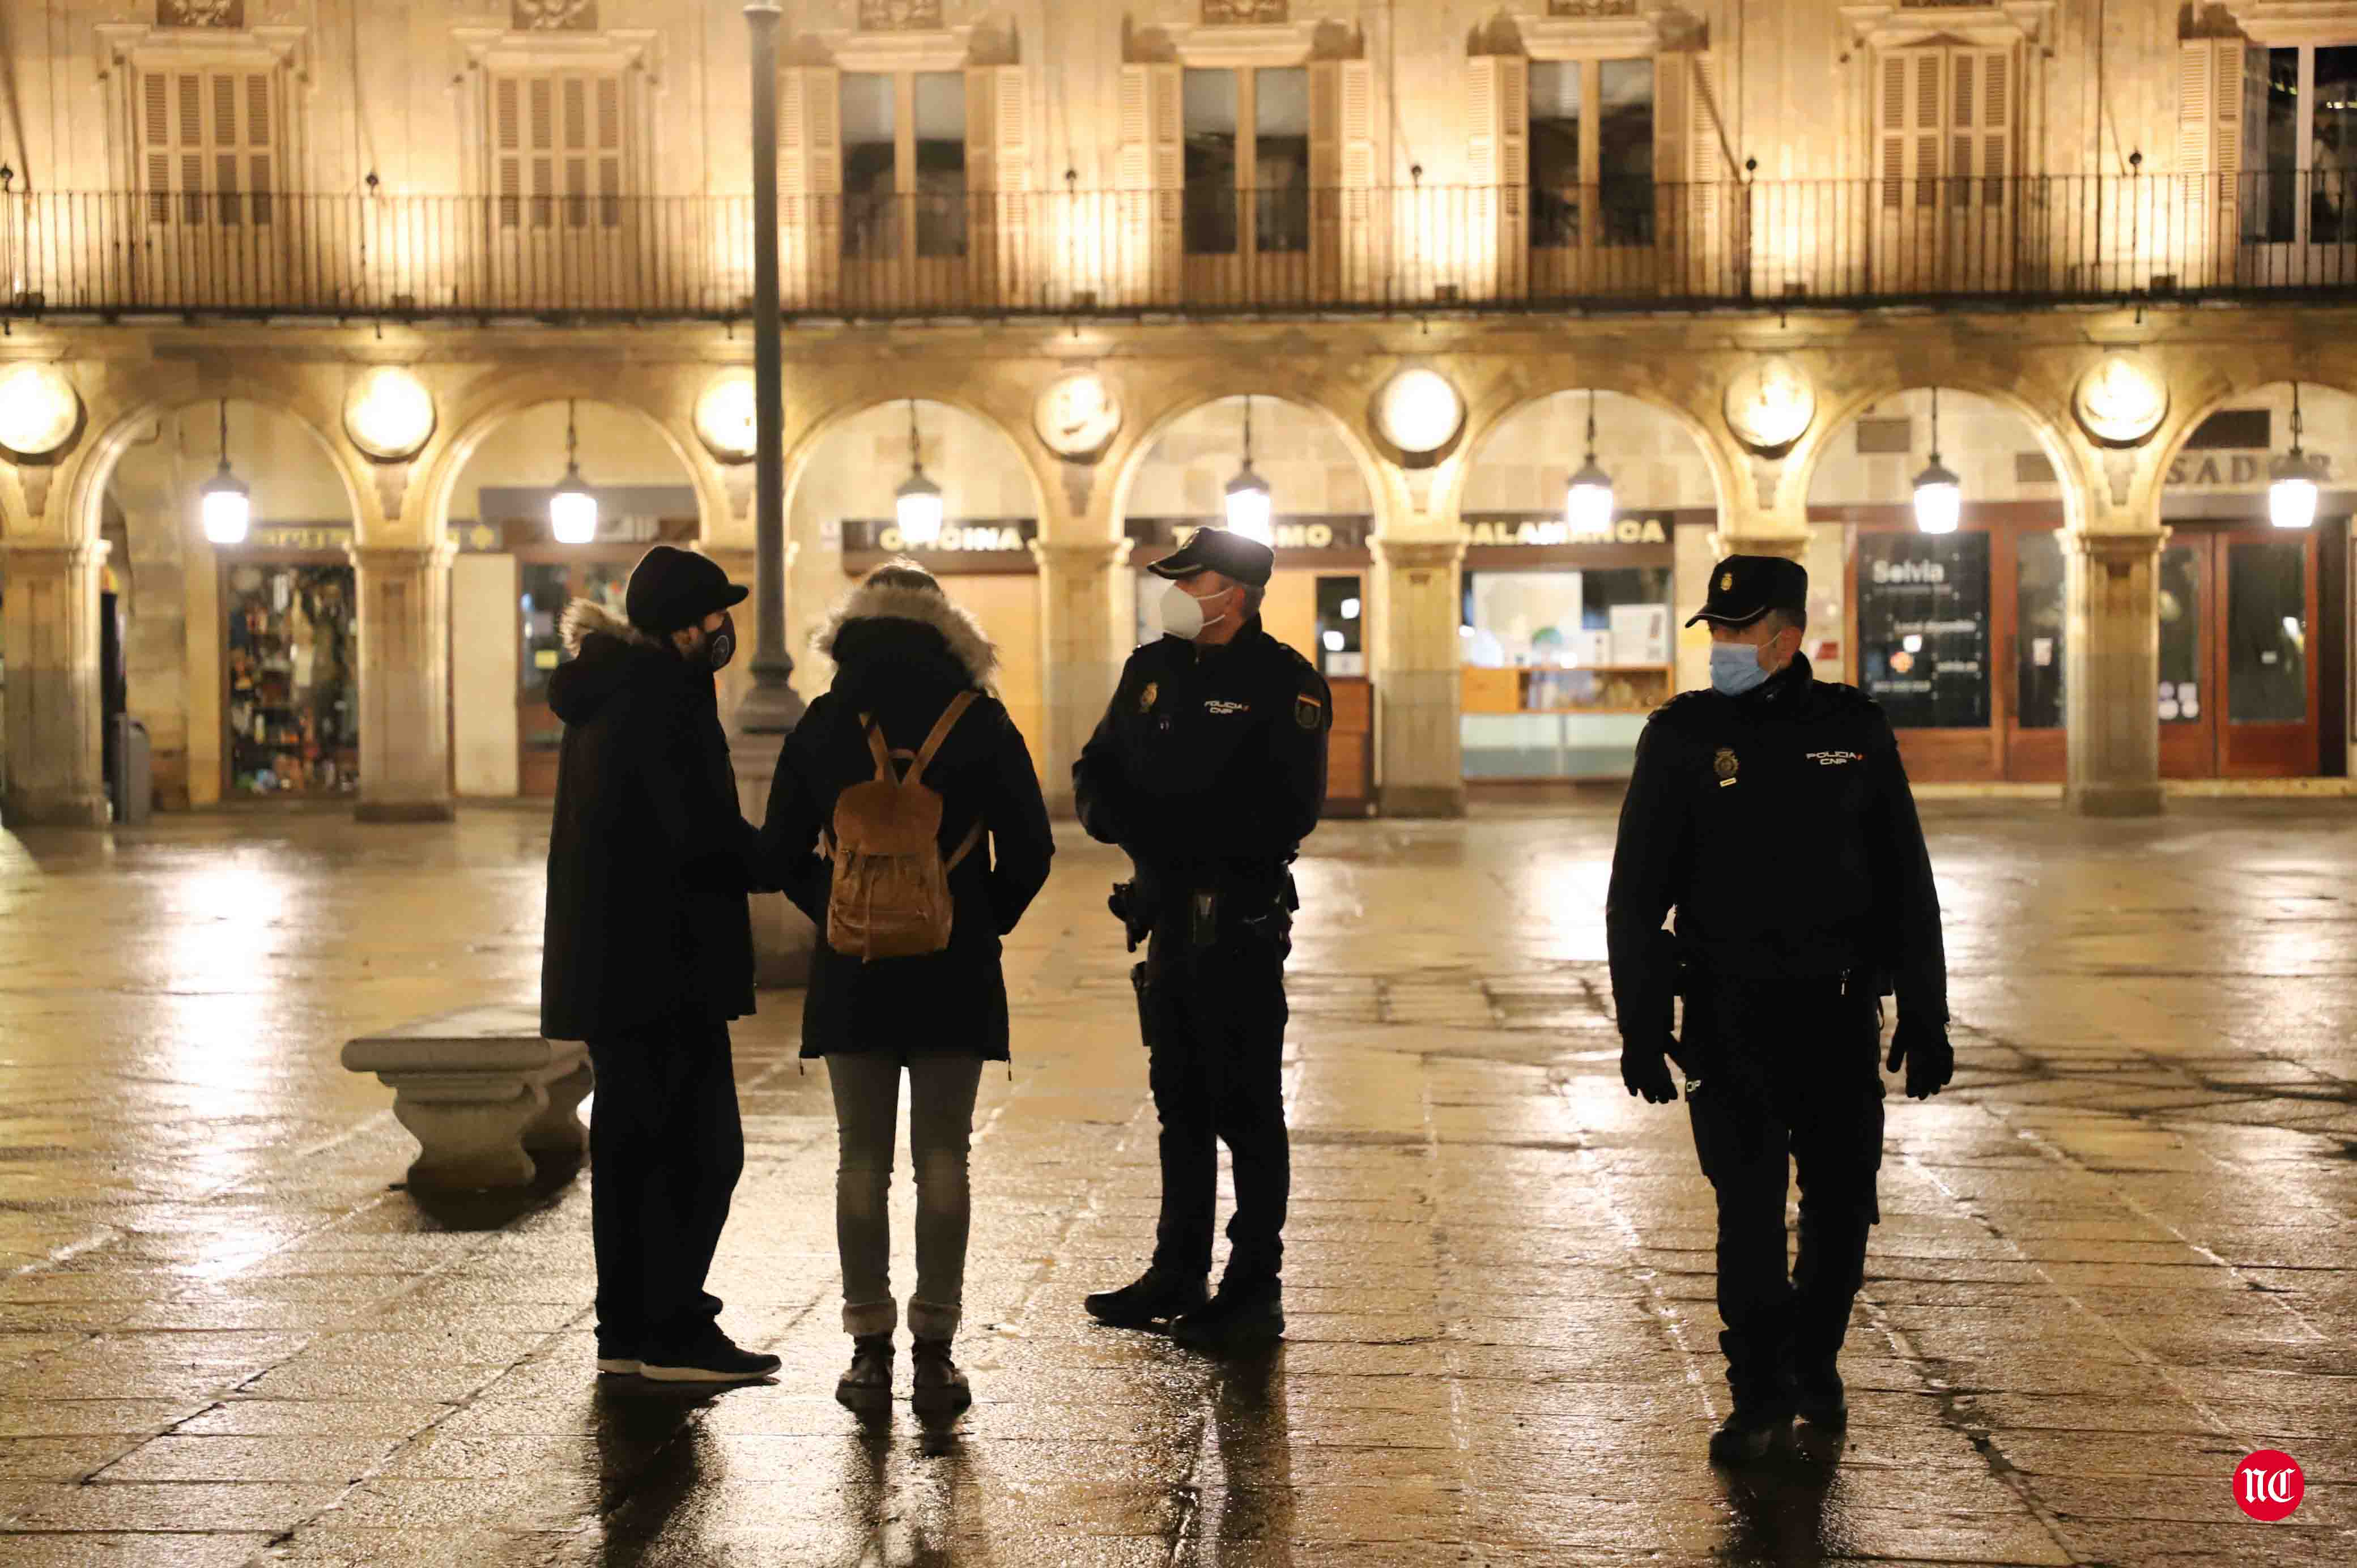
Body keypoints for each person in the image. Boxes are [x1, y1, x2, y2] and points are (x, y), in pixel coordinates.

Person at [1605, 554, 1951, 1465]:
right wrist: (1641, 1020)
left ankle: (1816, 1361)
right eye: (1714, 631)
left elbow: (1907, 882)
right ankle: (1757, 1389)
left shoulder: (1854, 730)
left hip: (1836, 1015)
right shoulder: (1681, 738)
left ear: (1785, 637)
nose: (1721, 647)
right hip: (1729, 1014)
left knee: (1841, 1209)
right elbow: (1636, 893)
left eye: (1737, 631)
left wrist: (1926, 1010)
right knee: (1747, 1212)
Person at [760, 562, 1054, 1416]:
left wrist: (841, 912)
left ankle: (866, 1351)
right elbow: (1032, 851)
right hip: (954, 974)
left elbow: (779, 855)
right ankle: (936, 1351)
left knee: (860, 1160)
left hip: (853, 976)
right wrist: (971, 918)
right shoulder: (983, 722)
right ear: (944, 628)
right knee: (942, 1158)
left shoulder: (822, 725)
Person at [1074, 527, 1331, 1356]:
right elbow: (1095, 771)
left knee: (1247, 1108)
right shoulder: (1149, 671)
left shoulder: (1284, 683)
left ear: (1240, 592)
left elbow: (1284, 810)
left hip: (1240, 924)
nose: (1177, 592)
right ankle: (1176, 1269)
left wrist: (1166, 820)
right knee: (1178, 1102)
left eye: (1194, 580)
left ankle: (1254, 1285)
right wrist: (1140, 824)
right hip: (1167, 921)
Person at [540, 544, 782, 1386]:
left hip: (614, 965)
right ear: (684, 624)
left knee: (631, 1150)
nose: (725, 632)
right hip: (665, 964)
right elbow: (702, 834)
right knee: (704, 1149)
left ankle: (627, 1332)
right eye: (716, 617)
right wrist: (785, 858)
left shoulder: (609, 690)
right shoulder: (663, 699)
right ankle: (674, 1328)